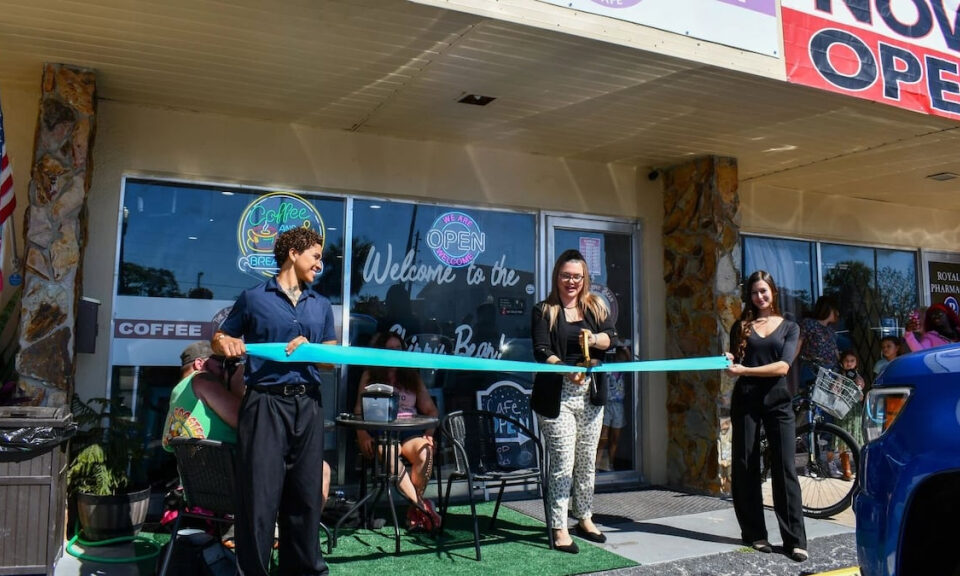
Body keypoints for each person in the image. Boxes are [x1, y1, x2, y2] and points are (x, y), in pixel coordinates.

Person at [212, 226, 336, 576]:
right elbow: (220, 339)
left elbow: (329, 359)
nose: (320, 264)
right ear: (293, 253)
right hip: (265, 404)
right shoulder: (253, 298)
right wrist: (225, 344)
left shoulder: (322, 305)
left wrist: (310, 349)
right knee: (259, 499)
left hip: (308, 405)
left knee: (307, 497)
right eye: (315, 256)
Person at [531, 249, 615, 554]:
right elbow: (541, 350)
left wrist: (591, 339)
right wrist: (565, 369)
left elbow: (610, 339)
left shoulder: (595, 307)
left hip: (591, 395)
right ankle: (558, 526)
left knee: (585, 461)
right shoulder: (544, 310)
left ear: (585, 279)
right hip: (557, 397)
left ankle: (584, 517)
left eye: (577, 276)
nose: (571, 281)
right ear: (557, 276)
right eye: (566, 275)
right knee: (563, 461)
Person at [725, 270, 808, 562]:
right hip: (746, 400)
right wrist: (731, 360)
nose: (759, 296)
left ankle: (795, 540)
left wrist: (744, 371)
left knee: (785, 467)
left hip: (777, 401)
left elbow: (783, 367)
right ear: (749, 296)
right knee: (746, 464)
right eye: (754, 292)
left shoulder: (789, 327)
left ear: (772, 291)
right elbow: (735, 359)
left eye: (764, 291)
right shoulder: (742, 326)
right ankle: (755, 534)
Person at [353, 330, 440, 530]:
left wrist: (428, 435)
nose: (394, 352)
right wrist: (362, 433)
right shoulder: (370, 375)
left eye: (397, 348)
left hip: (408, 431)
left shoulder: (411, 375)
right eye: (389, 349)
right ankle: (422, 508)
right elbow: (359, 409)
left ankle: (414, 510)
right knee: (389, 453)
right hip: (381, 432)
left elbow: (431, 410)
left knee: (424, 452)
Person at [162, 341, 246, 449]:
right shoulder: (202, 379)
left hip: (198, 463)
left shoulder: (178, 391)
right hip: (226, 462)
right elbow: (245, 421)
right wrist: (237, 385)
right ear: (200, 364)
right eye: (220, 367)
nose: (223, 373)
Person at [595, 345, 630, 472]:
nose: (621, 356)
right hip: (607, 404)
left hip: (619, 405)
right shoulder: (607, 365)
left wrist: (624, 347)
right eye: (619, 353)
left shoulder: (623, 368)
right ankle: (596, 465)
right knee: (603, 437)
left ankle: (610, 464)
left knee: (615, 438)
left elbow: (631, 361)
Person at [797, 295, 840, 391]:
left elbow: (836, 354)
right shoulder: (808, 323)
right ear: (829, 309)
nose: (838, 313)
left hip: (830, 373)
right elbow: (797, 345)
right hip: (813, 370)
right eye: (835, 310)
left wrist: (842, 372)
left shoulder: (830, 331)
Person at [835, 349, 865, 481]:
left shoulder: (858, 377)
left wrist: (859, 386)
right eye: (846, 361)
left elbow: (861, 397)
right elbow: (835, 390)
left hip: (854, 411)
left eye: (852, 361)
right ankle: (846, 469)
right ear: (842, 363)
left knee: (856, 439)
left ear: (856, 363)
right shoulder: (839, 376)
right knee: (843, 440)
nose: (849, 363)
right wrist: (840, 381)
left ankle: (858, 468)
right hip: (842, 410)